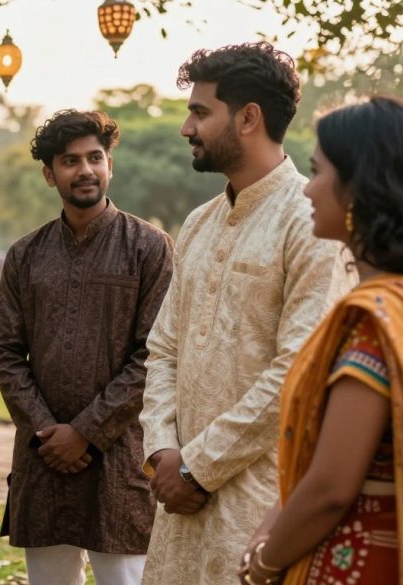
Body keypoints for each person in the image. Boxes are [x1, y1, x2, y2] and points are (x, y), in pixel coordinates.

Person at [138, 41, 355, 584]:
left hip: (259, 510)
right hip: (178, 508)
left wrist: (197, 466)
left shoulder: (311, 223)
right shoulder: (198, 223)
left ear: (249, 118)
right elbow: (164, 347)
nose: (187, 128)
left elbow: (298, 370)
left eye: (199, 112)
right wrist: (163, 450)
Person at [0, 110, 174, 585]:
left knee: (127, 578)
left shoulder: (149, 248)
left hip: (118, 460)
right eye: (70, 161)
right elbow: (7, 354)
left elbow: (154, 354)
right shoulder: (25, 255)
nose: (85, 169)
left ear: (110, 164)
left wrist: (87, 432)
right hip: (43, 456)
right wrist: (47, 431)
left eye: (95, 157)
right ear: (50, 175)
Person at [237, 97, 403, 585]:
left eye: (317, 171)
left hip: (353, 564)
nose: (308, 188)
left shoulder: (371, 321)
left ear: (357, 189)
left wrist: (264, 563)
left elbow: (331, 485)